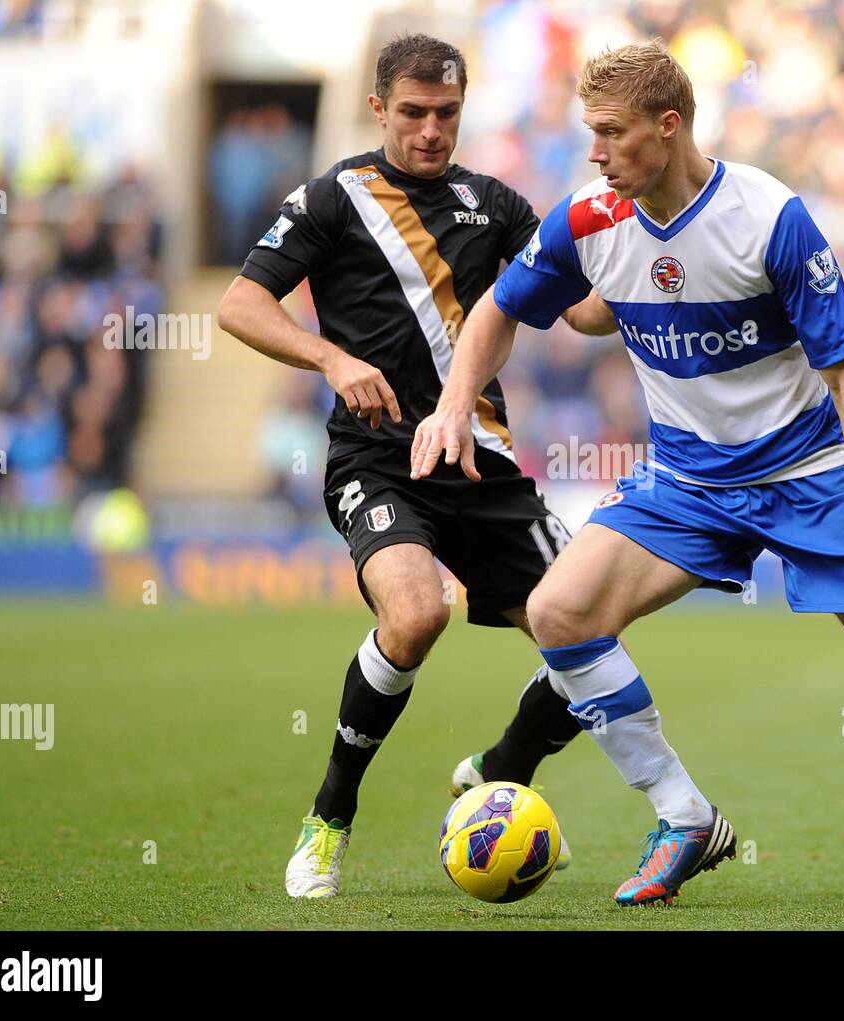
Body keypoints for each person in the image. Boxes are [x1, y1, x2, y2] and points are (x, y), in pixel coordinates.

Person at [412, 41, 844, 912]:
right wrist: (452, 405)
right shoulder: (590, 218)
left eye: (612, 133)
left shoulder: (770, 219)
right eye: (589, 132)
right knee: (558, 610)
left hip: (811, 472)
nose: (594, 152)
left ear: (669, 128)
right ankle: (682, 814)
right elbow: (497, 312)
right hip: (688, 480)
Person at [218, 33, 616, 899]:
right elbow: (239, 304)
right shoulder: (335, 198)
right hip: (378, 461)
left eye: (446, 114)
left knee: (589, 639)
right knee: (416, 611)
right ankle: (328, 817)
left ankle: (500, 768)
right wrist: (329, 359)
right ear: (379, 109)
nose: (432, 131)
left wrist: (643, 269)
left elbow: (582, 314)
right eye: (413, 113)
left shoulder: (497, 204)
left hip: (480, 457)